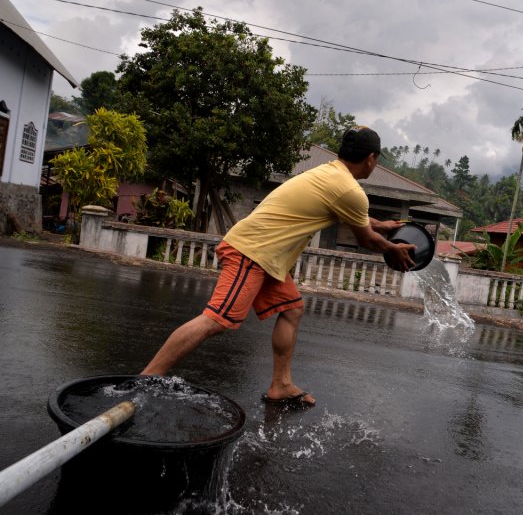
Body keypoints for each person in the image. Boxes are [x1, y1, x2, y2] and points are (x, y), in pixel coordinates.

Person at [141, 126, 416, 407]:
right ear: (371, 158)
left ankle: (281, 384)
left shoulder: (331, 175)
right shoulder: (349, 189)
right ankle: (146, 378)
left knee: (292, 310)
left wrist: (383, 225)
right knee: (217, 320)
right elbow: (366, 238)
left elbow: (358, 219)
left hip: (267, 258)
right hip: (252, 251)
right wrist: (392, 248)